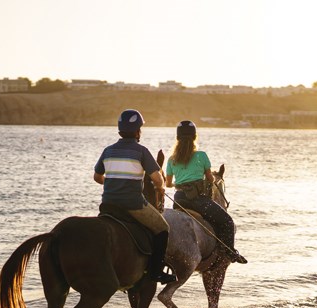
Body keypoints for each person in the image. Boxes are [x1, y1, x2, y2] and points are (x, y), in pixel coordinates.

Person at [94, 109, 177, 284]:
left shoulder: (108, 151)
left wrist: (113, 183)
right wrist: (161, 188)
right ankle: (156, 272)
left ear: (120, 129)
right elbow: (157, 178)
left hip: (108, 204)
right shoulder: (141, 151)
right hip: (133, 204)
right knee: (163, 229)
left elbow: (97, 177)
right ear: (138, 130)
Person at [165, 120, 247, 264]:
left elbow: (168, 184)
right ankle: (229, 253)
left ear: (178, 138)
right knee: (227, 221)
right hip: (198, 201)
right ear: (195, 137)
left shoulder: (172, 159)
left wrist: (180, 183)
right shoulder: (201, 156)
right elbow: (210, 179)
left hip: (179, 200)